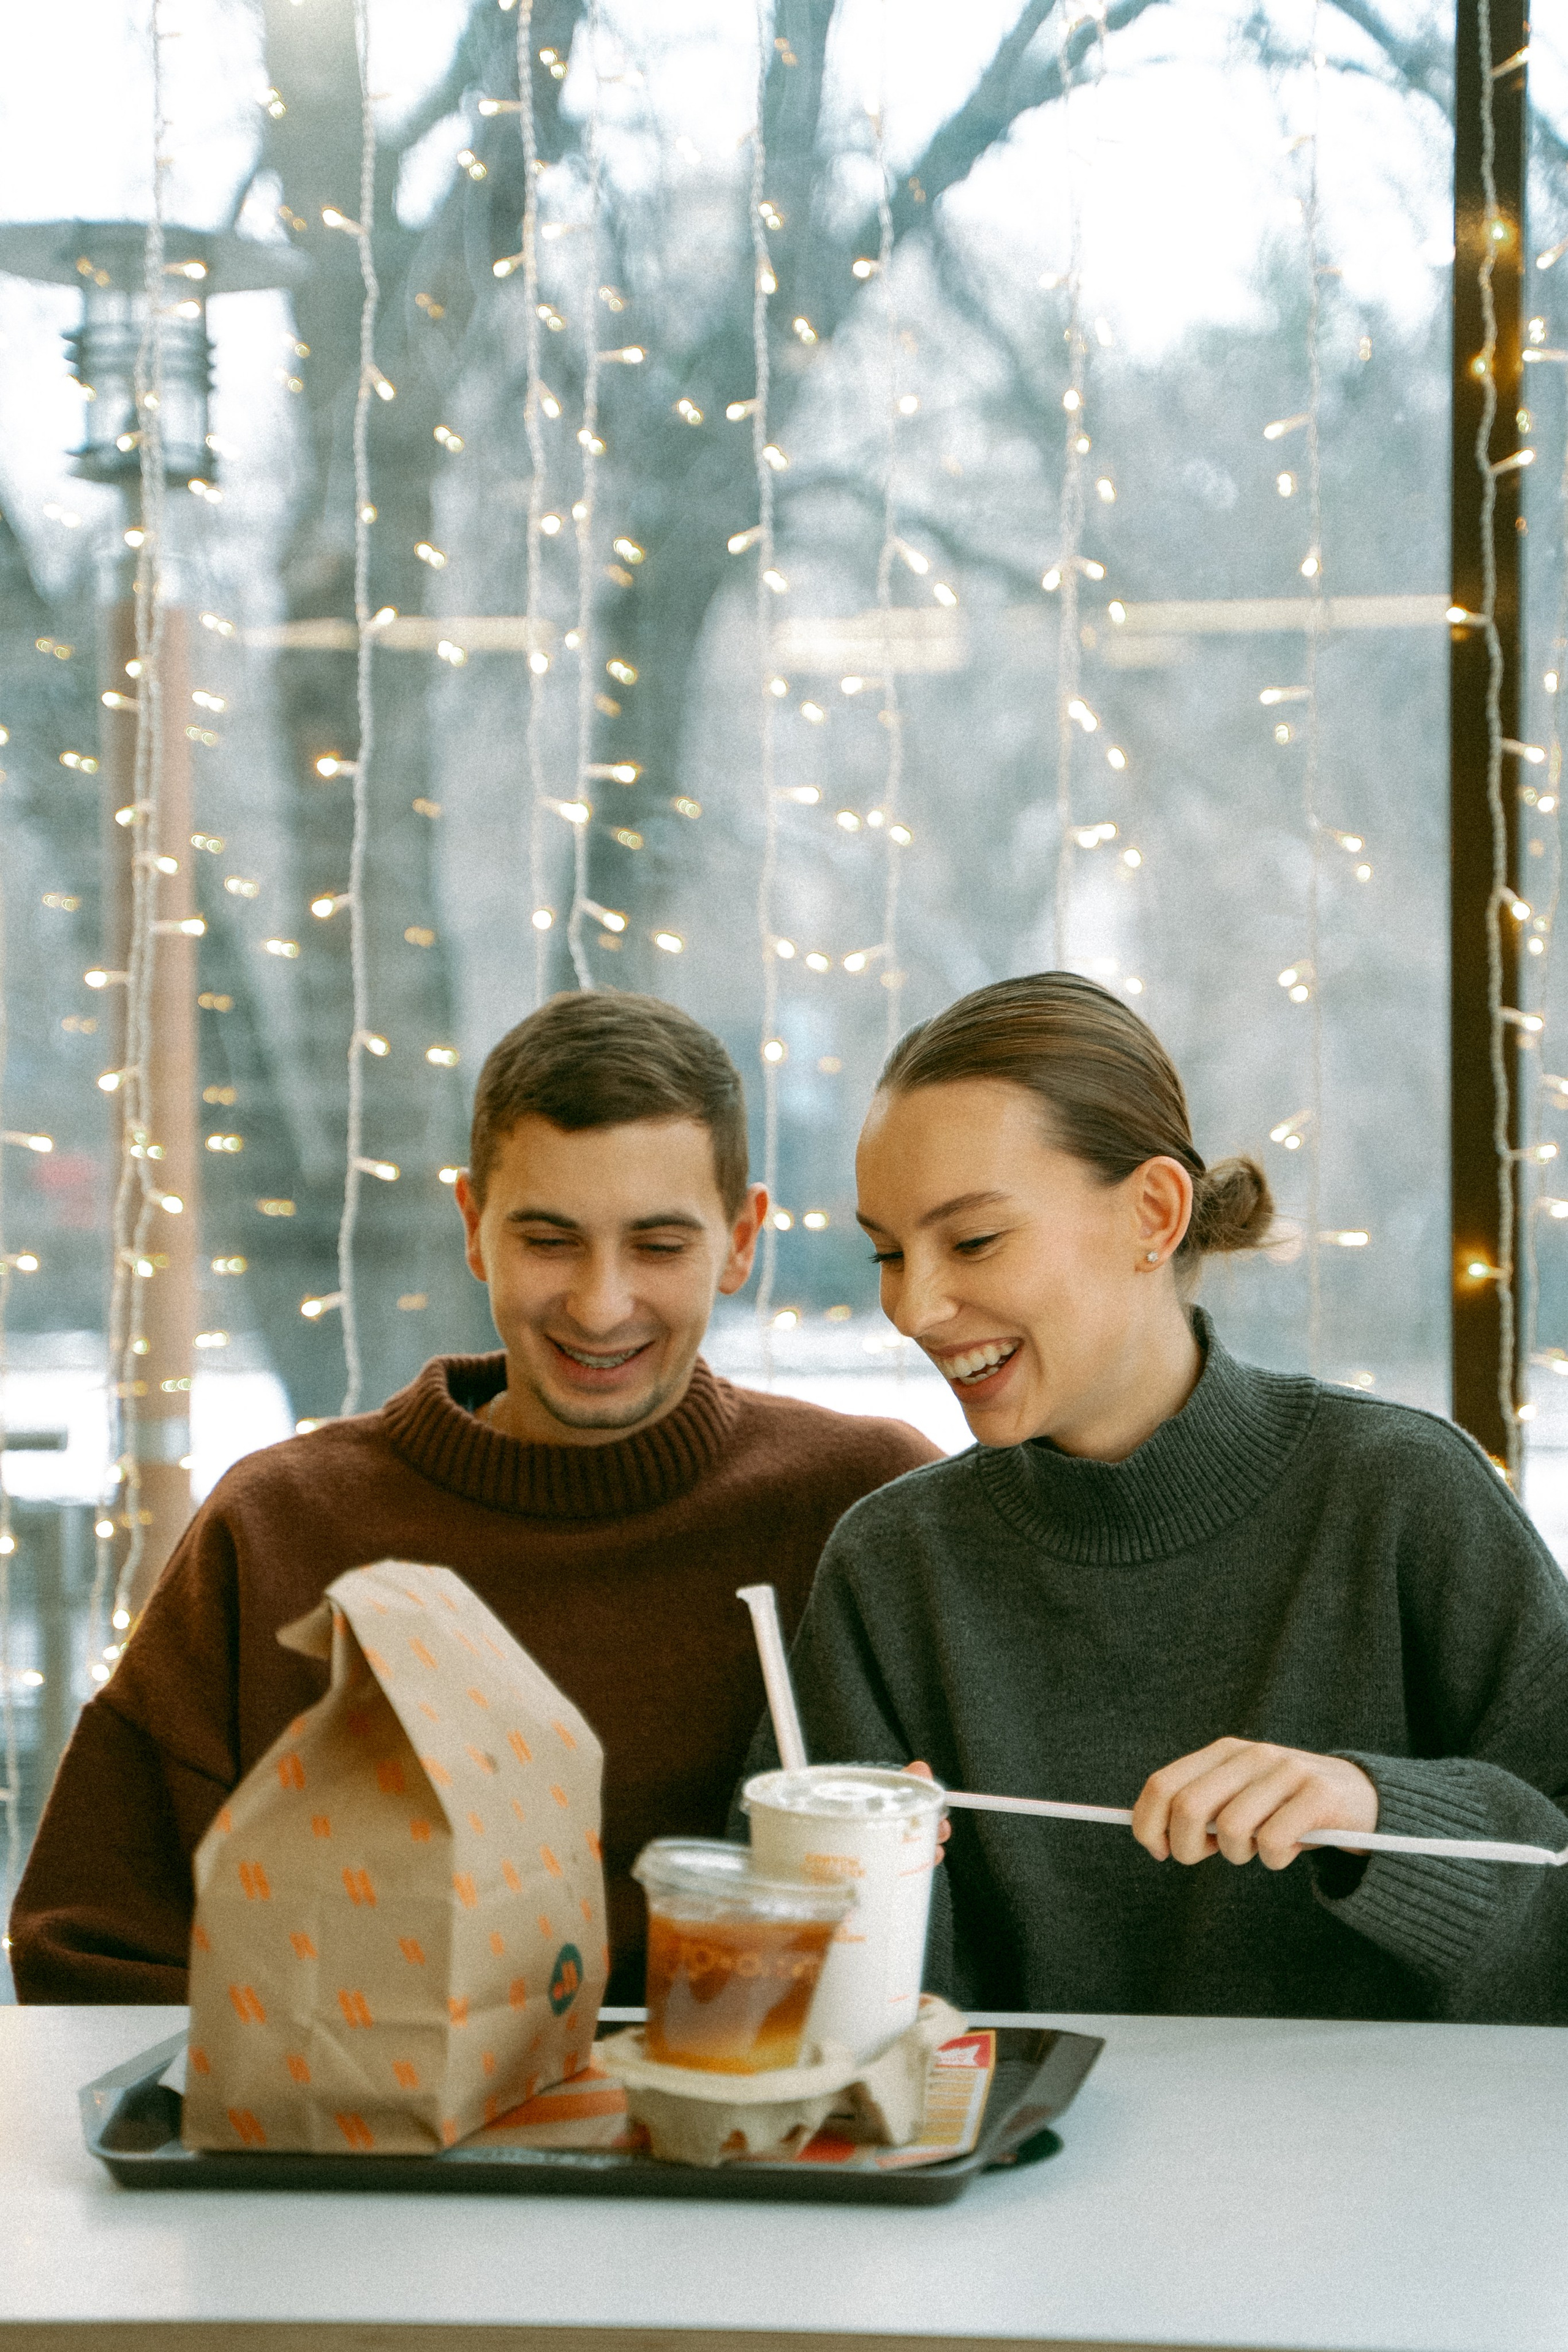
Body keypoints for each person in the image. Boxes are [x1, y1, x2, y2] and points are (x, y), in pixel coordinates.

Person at [11, 991, 938, 2003]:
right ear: (472, 1227)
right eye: (549, 1240)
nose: (600, 1302)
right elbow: (86, 1956)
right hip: (369, 2145)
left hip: (769, 2136)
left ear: (743, 1240)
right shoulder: (280, 1526)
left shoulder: (863, 1503)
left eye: (659, 1247)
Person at [750, 971, 1568, 2024]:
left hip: (1382, 2175)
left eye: (973, 1241)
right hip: (1011, 2176)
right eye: (887, 1252)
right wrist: (867, 1899)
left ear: (1154, 1211)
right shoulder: (893, 1561)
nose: (913, 1305)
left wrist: (1378, 1813)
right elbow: (797, 2018)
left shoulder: (1404, 1497)